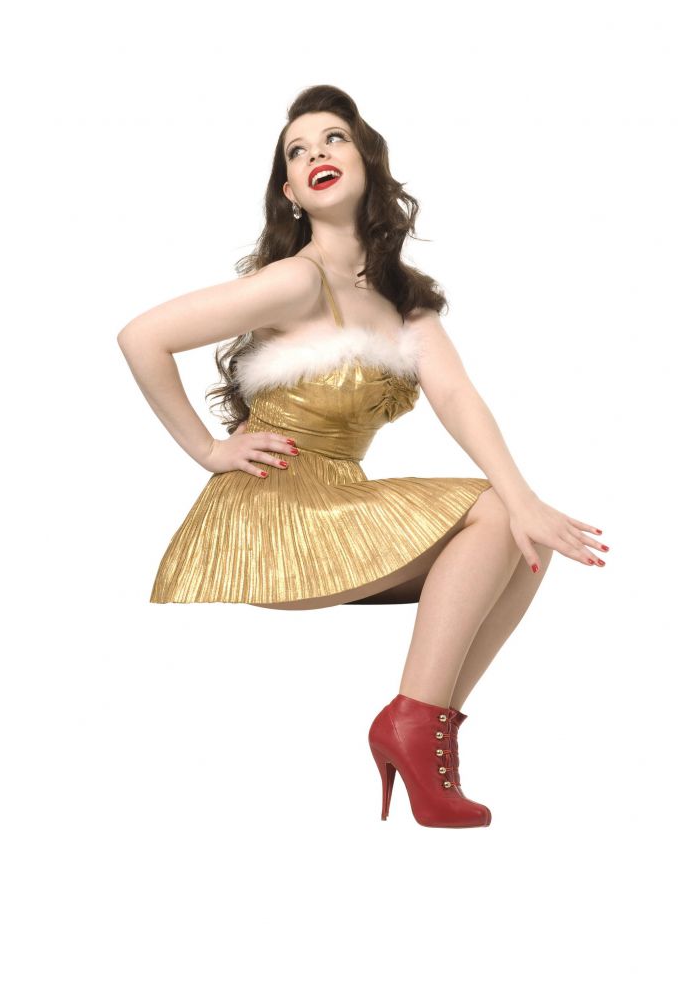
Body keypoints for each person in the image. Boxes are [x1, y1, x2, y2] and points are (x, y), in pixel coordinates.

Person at [117, 84, 608, 829]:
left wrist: (529, 502)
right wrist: (209, 448)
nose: (316, 153)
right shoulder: (297, 279)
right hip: (276, 512)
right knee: (495, 509)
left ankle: (423, 730)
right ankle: (412, 724)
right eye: (297, 150)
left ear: (367, 160)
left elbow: (457, 397)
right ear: (290, 193)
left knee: (520, 536)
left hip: (339, 502)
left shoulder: (401, 300)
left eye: (333, 139)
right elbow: (141, 337)